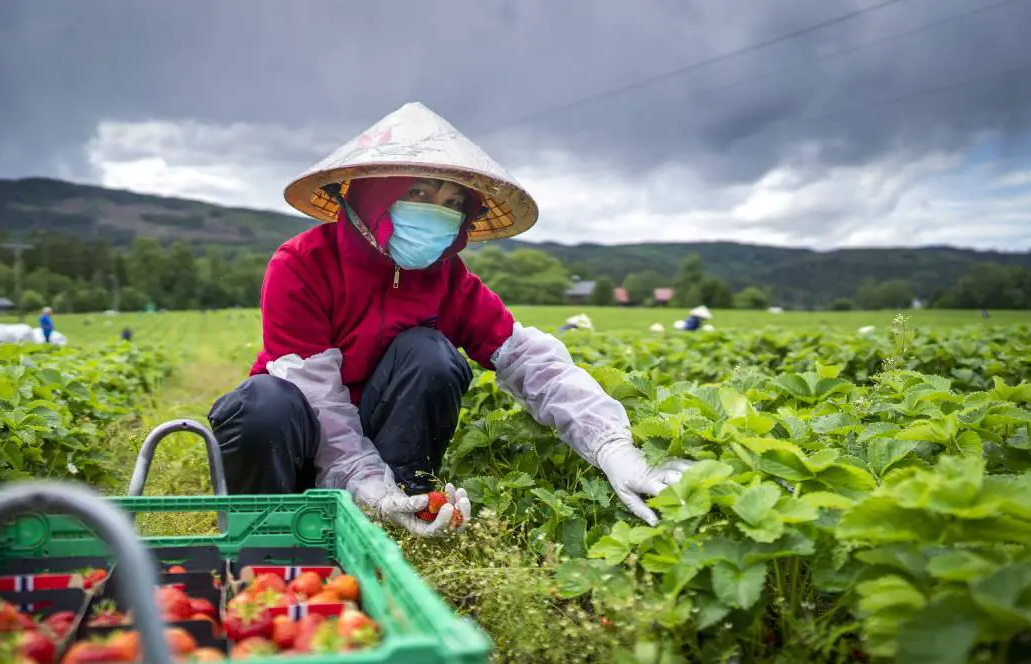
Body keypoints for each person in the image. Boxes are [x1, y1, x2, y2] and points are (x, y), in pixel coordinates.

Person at [208, 102, 692, 537]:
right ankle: (263, 534)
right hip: (298, 443)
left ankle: (408, 507)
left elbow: (532, 363)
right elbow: (317, 399)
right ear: (373, 195)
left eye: (454, 202)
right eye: (418, 191)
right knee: (262, 401)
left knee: (430, 354)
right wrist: (365, 486)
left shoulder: (451, 282)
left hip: (383, 458)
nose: (438, 213)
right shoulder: (302, 265)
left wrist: (612, 448)